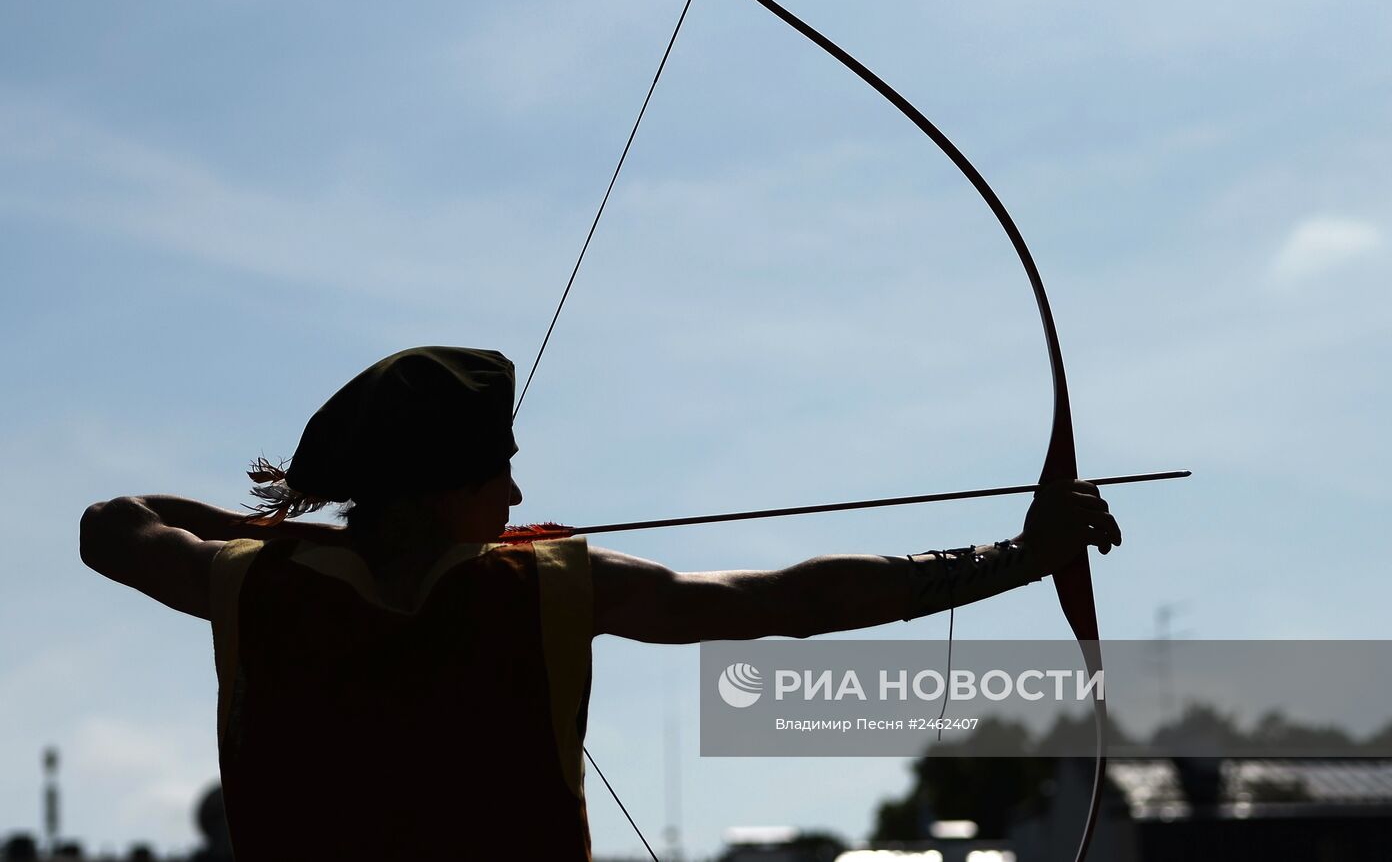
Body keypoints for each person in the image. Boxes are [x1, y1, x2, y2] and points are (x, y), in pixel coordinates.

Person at [80, 346, 1121, 860]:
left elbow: (113, 520)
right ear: (444, 482)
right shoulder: (540, 587)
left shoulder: (250, 584)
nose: (518, 495)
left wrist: (300, 533)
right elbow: (780, 600)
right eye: (498, 469)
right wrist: (1016, 557)